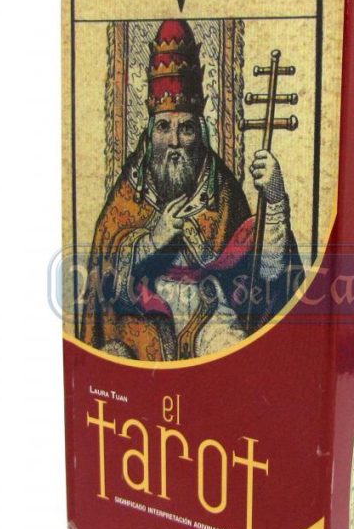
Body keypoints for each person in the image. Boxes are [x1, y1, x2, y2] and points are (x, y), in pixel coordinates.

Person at [80, 19, 303, 361]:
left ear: (199, 134)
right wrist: (152, 241)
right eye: (164, 127)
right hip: (143, 313)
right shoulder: (131, 188)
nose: (174, 141)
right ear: (149, 133)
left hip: (208, 311)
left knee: (234, 356)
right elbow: (104, 277)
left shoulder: (221, 188)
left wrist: (273, 199)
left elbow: (267, 275)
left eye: (185, 128)